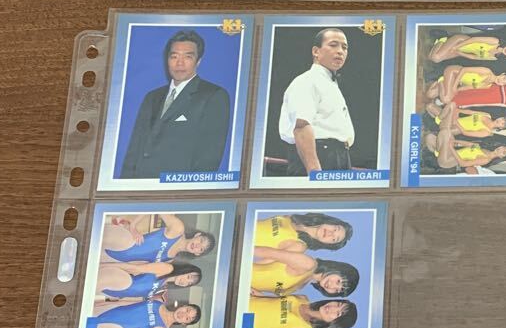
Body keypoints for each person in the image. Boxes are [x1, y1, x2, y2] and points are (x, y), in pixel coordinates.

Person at [120, 30, 230, 179]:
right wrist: (124, 186)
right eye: (174, 56)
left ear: (198, 61)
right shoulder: (152, 97)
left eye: (188, 57)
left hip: (176, 188)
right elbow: (135, 148)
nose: (179, 63)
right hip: (140, 185)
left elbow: (209, 158)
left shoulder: (213, 96)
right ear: (167, 59)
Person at [278, 27, 355, 177]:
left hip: (340, 156)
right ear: (316, 51)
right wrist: (315, 172)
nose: (340, 51)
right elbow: (301, 125)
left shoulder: (330, 84)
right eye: (333, 45)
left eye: (344, 47)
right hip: (318, 155)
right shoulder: (307, 81)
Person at [101, 212, 215, 264]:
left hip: (113, 258)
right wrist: (133, 226)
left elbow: (141, 261)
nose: (197, 245)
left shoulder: (170, 259)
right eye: (201, 240)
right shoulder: (178, 229)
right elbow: (155, 205)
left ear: (197, 254)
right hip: (122, 241)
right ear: (197, 235)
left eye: (201, 249)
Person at [88, 295, 201, 328]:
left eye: (187, 318)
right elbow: (126, 302)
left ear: (184, 323)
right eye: (187, 310)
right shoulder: (158, 303)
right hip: (104, 310)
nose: (183, 314)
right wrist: (99, 302)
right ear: (184, 305)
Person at [251, 248, 360, 300]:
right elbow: (262, 252)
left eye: (337, 290)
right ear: (337, 269)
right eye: (338, 281)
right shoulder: (308, 264)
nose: (332, 286)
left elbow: (262, 288)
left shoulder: (302, 285)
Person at [97, 259, 202, 301]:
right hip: (111, 279)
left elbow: (135, 294)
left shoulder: (164, 287)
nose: (185, 282)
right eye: (188, 277)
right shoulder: (166, 269)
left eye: (188, 284)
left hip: (109, 292)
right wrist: (100, 266)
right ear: (185, 270)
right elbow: (132, 267)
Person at [424, 127, 506, 174]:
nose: (501, 149)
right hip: (450, 152)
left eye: (504, 152)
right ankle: (437, 153)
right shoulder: (485, 148)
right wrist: (453, 141)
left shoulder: (486, 159)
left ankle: (438, 153)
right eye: (503, 147)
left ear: (501, 157)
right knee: (431, 137)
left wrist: (451, 147)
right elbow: (467, 144)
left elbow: (463, 164)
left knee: (444, 133)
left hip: (448, 161)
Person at [254, 212, 353, 253]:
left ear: (328, 244)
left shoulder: (299, 247)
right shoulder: (291, 218)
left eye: (334, 239)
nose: (331, 233)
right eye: (335, 229)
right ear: (331, 222)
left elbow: (262, 259)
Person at [424, 65, 506, 107]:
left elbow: (469, 87)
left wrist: (456, 91)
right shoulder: (487, 71)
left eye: (503, 83)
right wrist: (454, 87)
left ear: (501, 85)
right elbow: (464, 69)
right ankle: (440, 81)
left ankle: (439, 83)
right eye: (503, 78)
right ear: (502, 74)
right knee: (446, 99)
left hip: (456, 81)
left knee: (430, 95)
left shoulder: (487, 86)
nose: (501, 81)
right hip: (454, 72)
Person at [428, 33, 506, 64]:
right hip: (460, 41)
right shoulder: (495, 41)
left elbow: (473, 57)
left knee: (435, 59)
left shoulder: (494, 58)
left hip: (460, 50)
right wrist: (456, 46)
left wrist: (458, 52)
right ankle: (442, 39)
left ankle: (440, 45)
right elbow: (474, 39)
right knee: (436, 57)